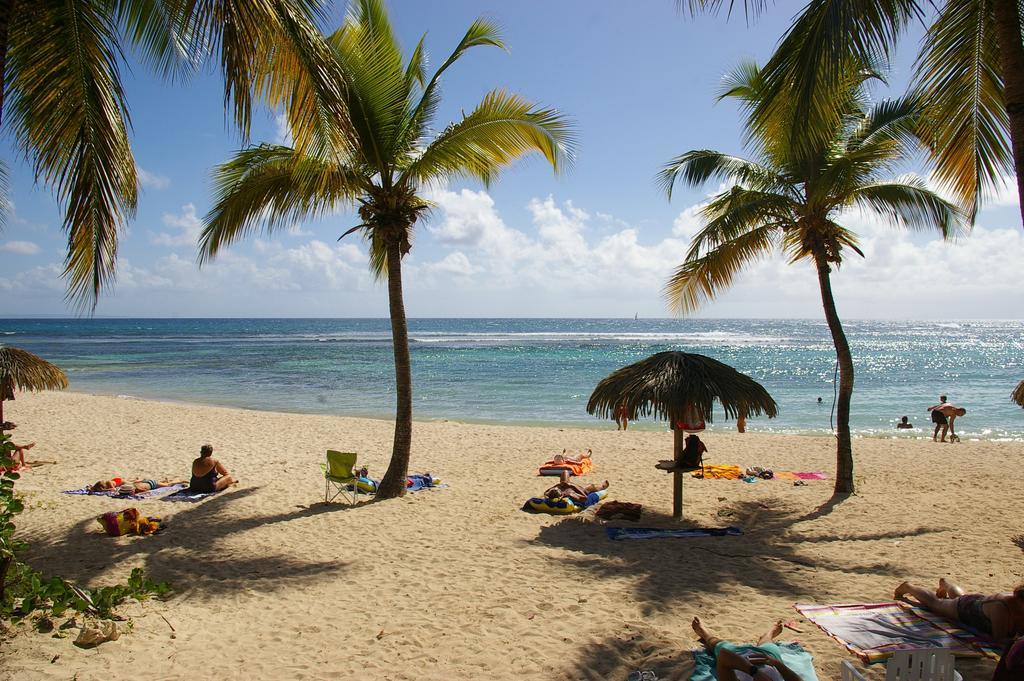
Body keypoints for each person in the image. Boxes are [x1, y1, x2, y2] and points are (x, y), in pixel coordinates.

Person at [894, 579, 1024, 644]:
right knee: (936, 604)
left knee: (960, 597)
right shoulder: (1002, 608)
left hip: (977, 601)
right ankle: (909, 587)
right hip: (966, 609)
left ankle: (946, 584)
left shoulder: (1017, 604)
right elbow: (999, 639)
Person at [691, 616, 812, 681]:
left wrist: (753, 672)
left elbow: (724, 656)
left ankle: (704, 632)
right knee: (768, 643)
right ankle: (769, 633)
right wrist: (775, 663)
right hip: (769, 660)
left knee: (716, 644)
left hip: (738, 657)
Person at [543, 470, 608, 505]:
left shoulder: (554, 490)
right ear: (561, 495)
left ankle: (567, 483)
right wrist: (572, 485)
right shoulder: (570, 494)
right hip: (582, 490)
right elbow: (585, 498)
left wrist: (558, 485)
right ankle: (603, 487)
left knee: (565, 472)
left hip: (568, 487)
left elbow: (546, 493)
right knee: (591, 487)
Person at [88, 478, 188, 494]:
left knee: (168, 485)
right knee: (163, 483)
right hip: (148, 482)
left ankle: (178, 480)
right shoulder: (131, 485)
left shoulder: (109, 483)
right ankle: (169, 480)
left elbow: (141, 490)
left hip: (151, 484)